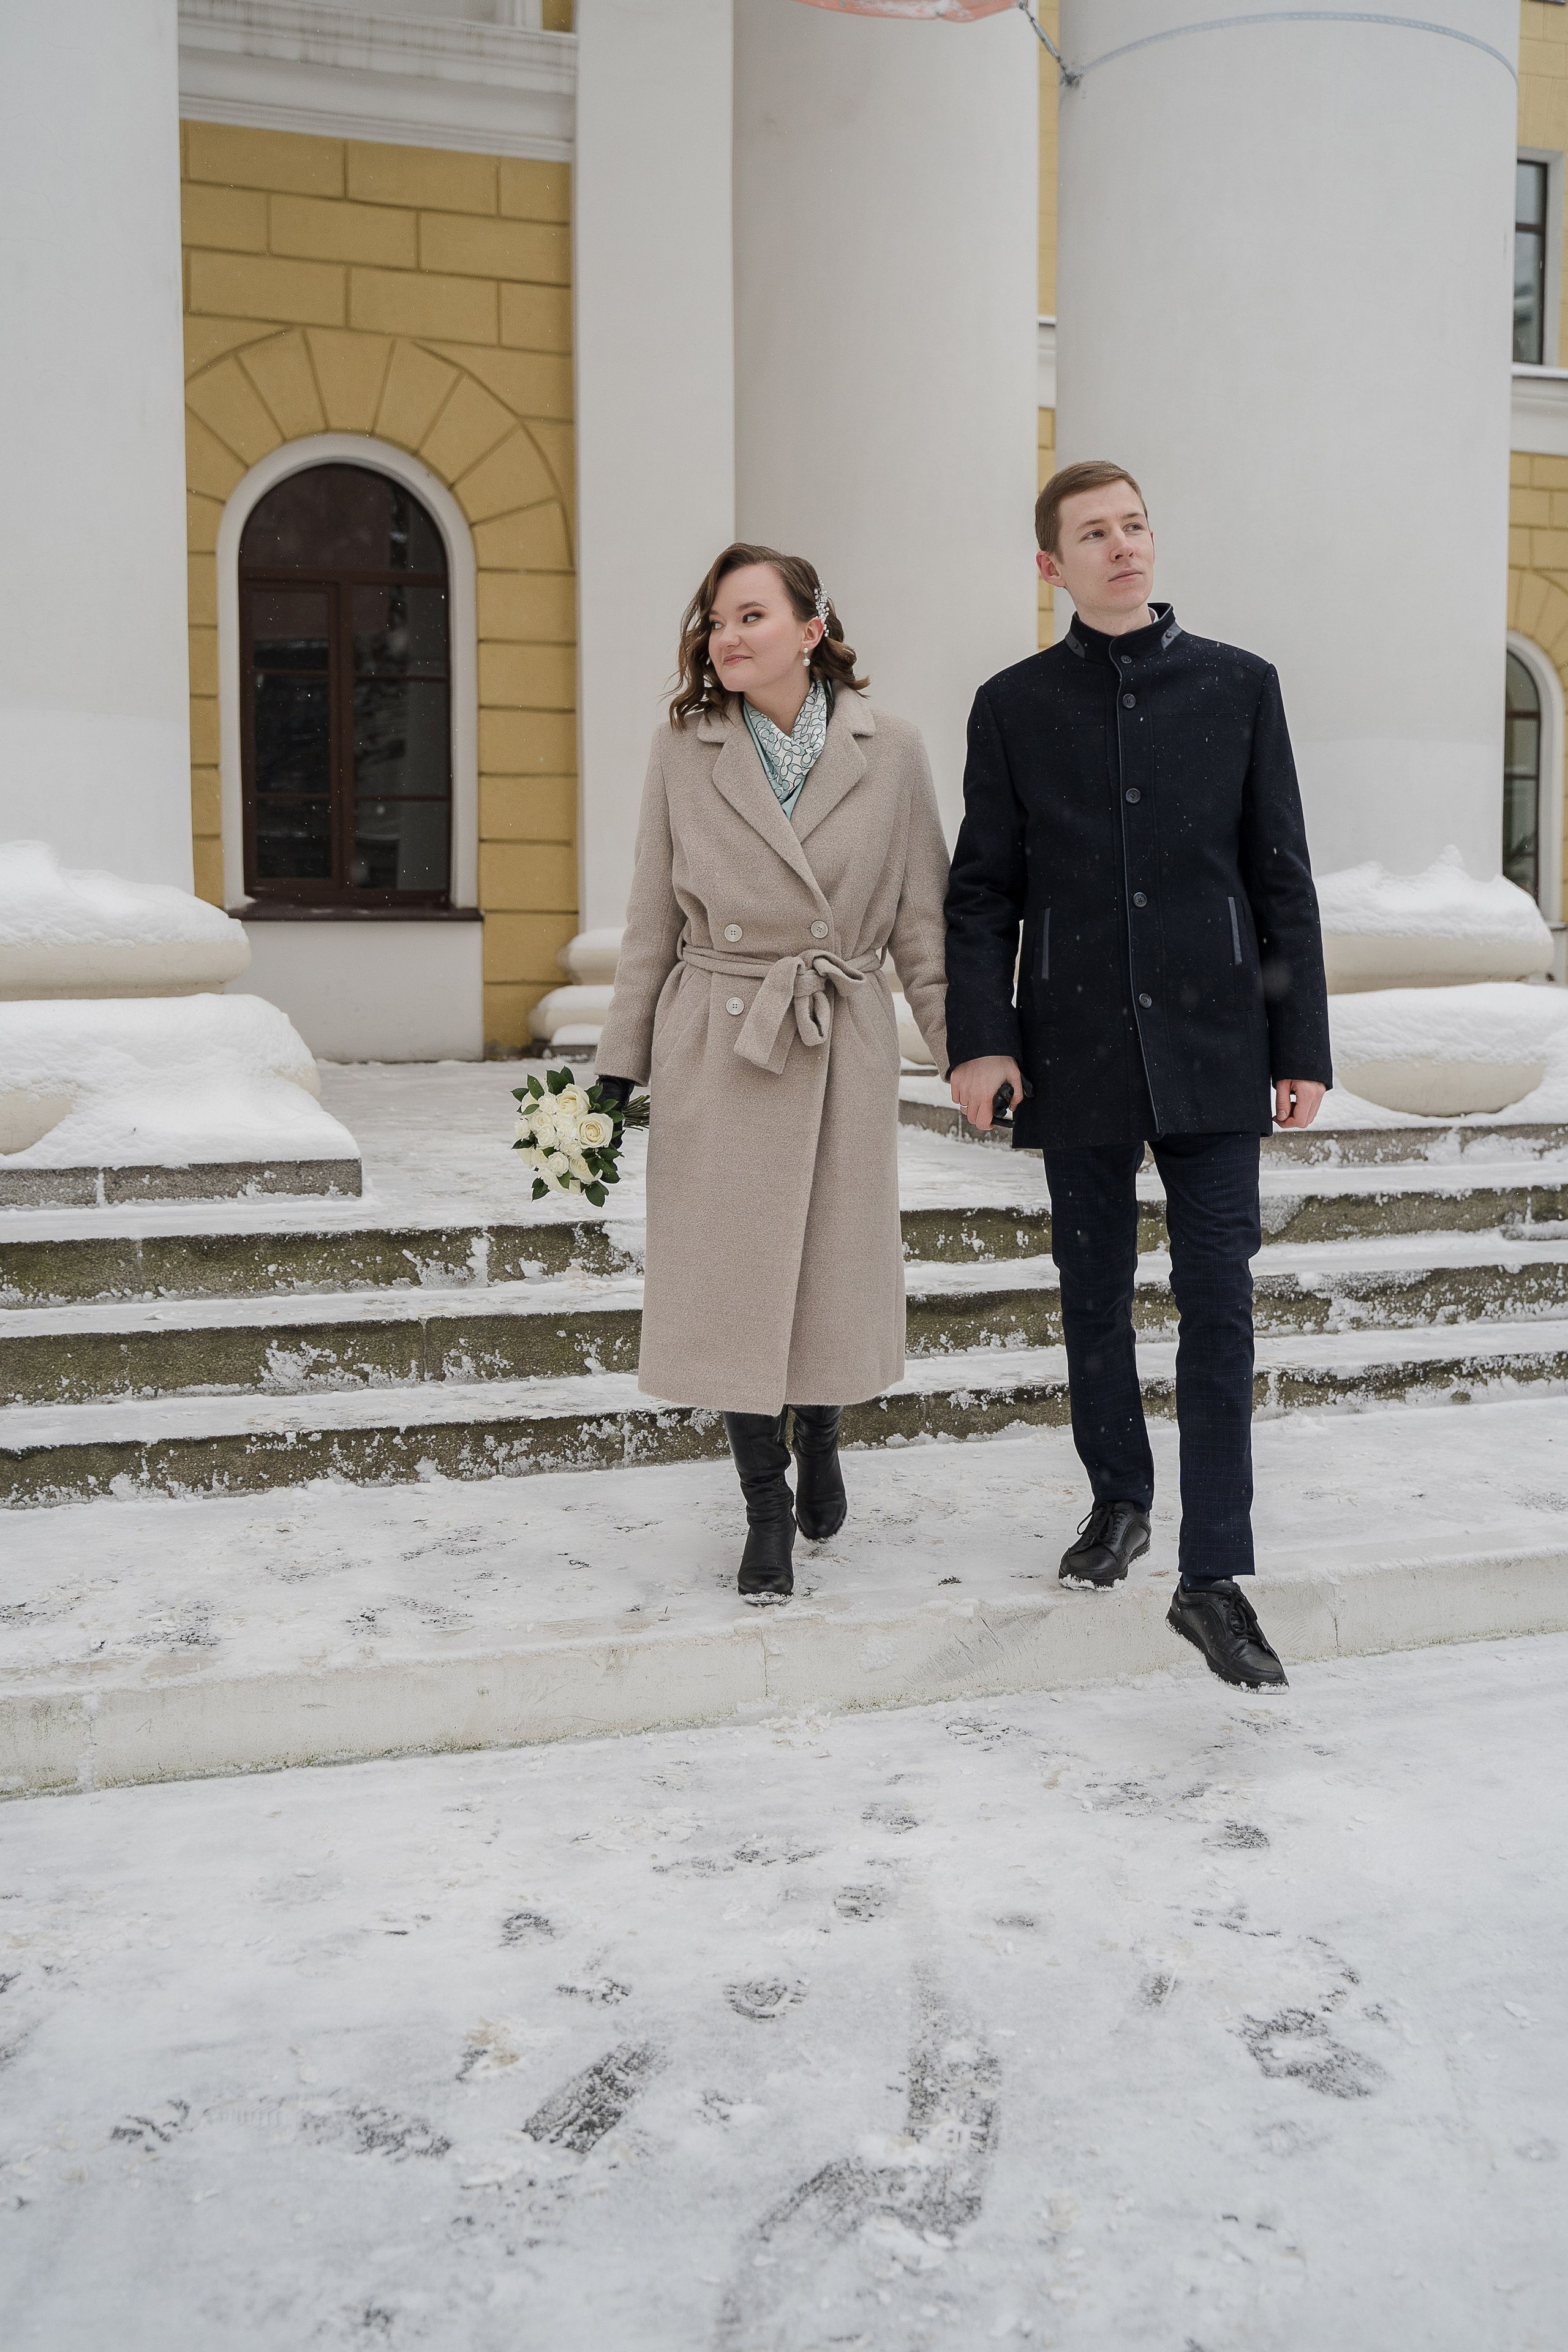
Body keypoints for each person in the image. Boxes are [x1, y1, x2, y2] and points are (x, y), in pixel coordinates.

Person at [943, 461, 1332, 1691]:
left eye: (1132, 526)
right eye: (1091, 535)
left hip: (1220, 1046)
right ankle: (1117, 1499)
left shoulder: (1237, 686)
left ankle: (1211, 1576)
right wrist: (980, 1039)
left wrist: (1300, 1048)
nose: (1121, 548)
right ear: (1050, 565)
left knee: (1217, 1299)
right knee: (1093, 1291)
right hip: (1074, 1044)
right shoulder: (1009, 706)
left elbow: (1280, 879)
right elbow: (980, 892)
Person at [594, 543, 949, 1601]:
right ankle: (763, 1507)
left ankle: (825, 1430)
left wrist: (967, 1049)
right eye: (715, 620)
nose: (728, 636)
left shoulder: (896, 751)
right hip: (724, 1036)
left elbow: (923, 926)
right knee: (732, 1281)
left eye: (751, 616)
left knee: (829, 1272)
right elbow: (650, 917)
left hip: (838, 1032)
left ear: (811, 629)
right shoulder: (683, 747)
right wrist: (617, 1067)